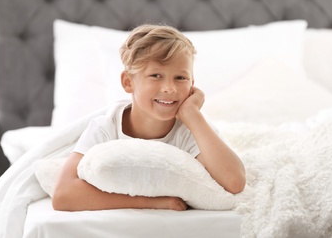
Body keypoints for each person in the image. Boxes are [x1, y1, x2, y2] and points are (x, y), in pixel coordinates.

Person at [52, 24, 246, 211]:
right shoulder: (106, 127)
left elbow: (234, 182)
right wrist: (153, 202)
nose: (169, 88)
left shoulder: (189, 128)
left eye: (181, 78)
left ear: (192, 84)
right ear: (128, 82)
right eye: (156, 75)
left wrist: (193, 115)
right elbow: (63, 195)